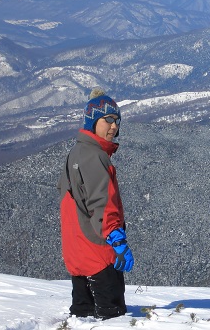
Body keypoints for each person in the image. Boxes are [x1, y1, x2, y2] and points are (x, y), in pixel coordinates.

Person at [58, 87, 134, 319]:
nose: (114, 126)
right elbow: (101, 203)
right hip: (98, 254)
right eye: (108, 120)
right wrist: (117, 239)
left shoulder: (77, 152)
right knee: (112, 318)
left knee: (83, 316)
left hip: (78, 252)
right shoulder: (94, 156)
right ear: (92, 121)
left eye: (117, 121)